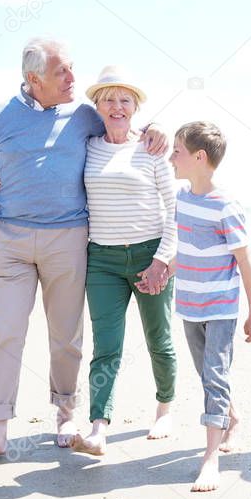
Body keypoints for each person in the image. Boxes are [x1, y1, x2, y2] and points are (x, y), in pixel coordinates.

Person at [0, 40, 164, 458]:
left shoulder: (85, 115)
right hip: (10, 242)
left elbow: (121, 127)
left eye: (73, 69)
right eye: (63, 73)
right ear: (34, 79)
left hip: (70, 239)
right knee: (6, 334)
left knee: (66, 337)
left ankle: (65, 413)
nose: (74, 80)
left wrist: (156, 130)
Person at [71, 66, 178, 456]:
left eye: (125, 100)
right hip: (101, 260)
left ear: (135, 107)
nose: (116, 107)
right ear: (96, 105)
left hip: (150, 254)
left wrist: (163, 260)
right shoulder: (86, 146)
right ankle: (98, 427)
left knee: (159, 340)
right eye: (108, 99)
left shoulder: (152, 149)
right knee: (107, 346)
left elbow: (174, 211)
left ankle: (164, 408)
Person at [169, 121, 251, 492]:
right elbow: (188, 248)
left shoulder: (226, 206)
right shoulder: (182, 199)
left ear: (199, 157)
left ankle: (210, 459)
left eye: (177, 151)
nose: (171, 157)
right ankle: (231, 418)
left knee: (215, 376)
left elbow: (244, 262)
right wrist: (163, 270)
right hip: (188, 305)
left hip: (220, 307)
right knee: (207, 375)